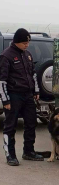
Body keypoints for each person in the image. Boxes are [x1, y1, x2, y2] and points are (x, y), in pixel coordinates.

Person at [0, 28, 44, 166]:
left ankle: (28, 151)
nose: (27, 45)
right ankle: (10, 155)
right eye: (25, 43)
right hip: (13, 95)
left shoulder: (27, 55)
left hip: (28, 95)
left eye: (28, 42)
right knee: (10, 126)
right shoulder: (6, 56)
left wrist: (36, 91)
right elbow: (2, 81)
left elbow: (33, 74)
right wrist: (5, 100)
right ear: (17, 42)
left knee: (31, 123)